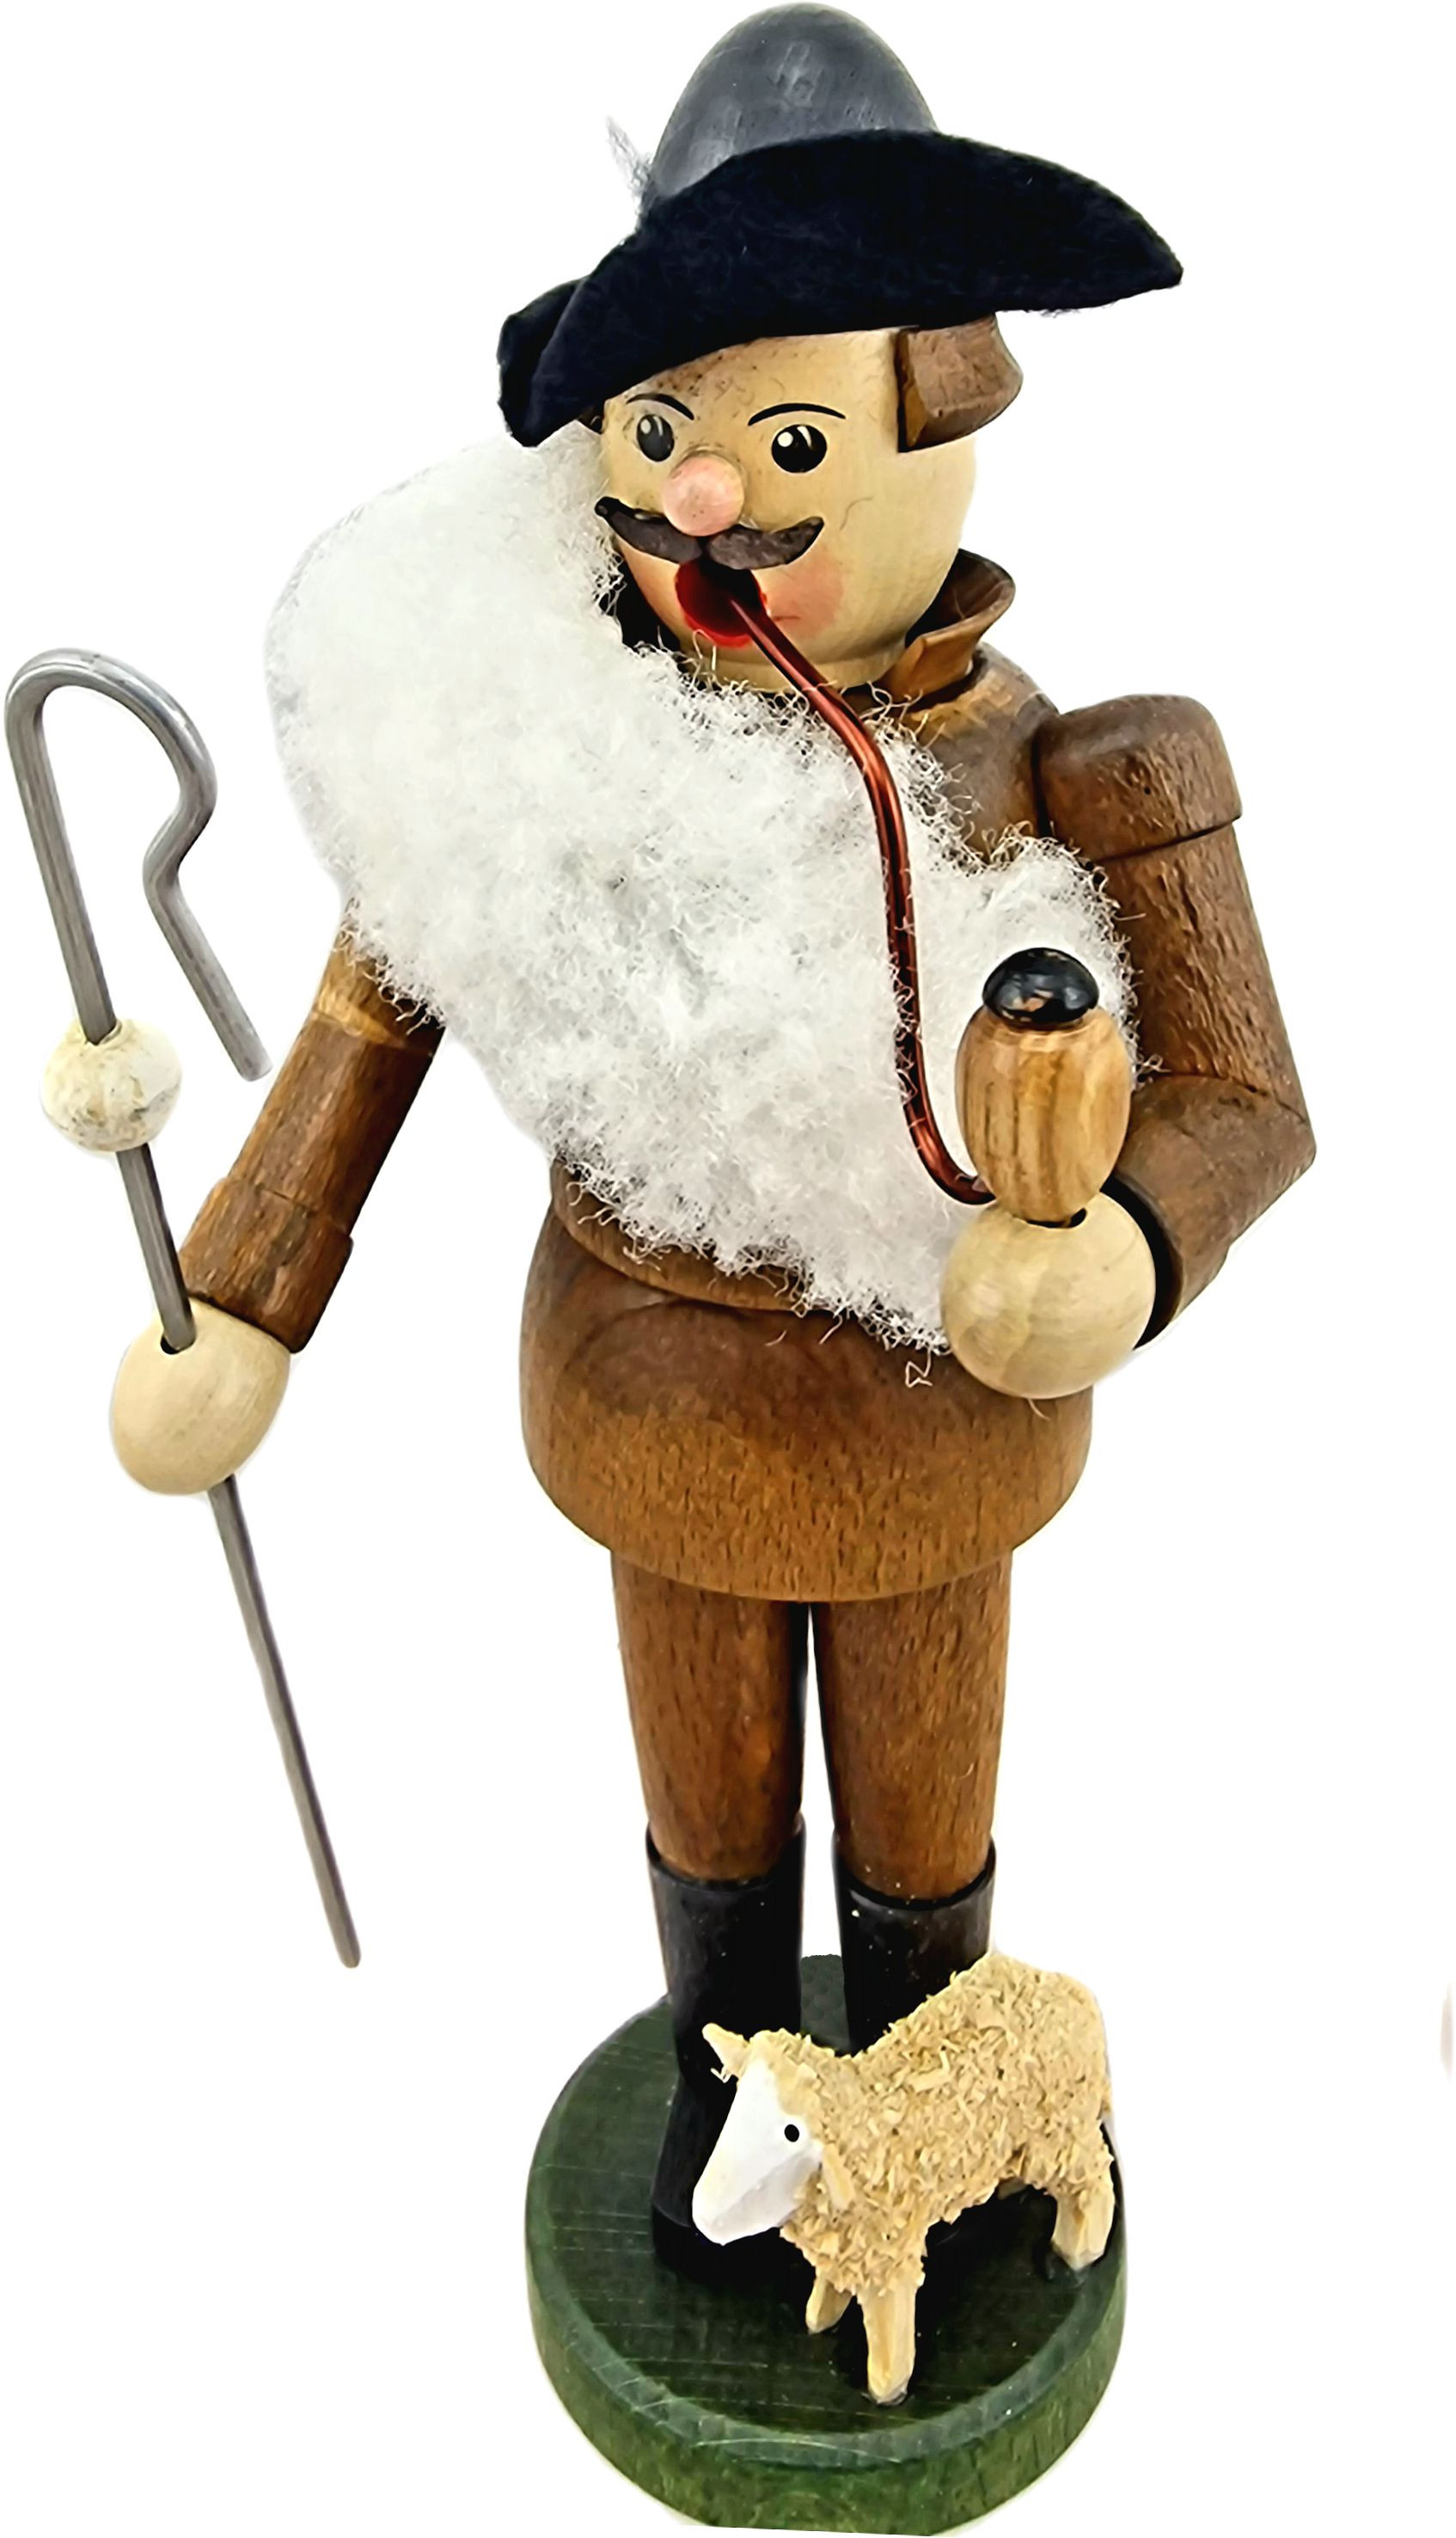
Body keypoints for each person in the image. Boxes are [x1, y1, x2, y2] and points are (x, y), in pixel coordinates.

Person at [109, 8, 1312, 2274]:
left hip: (939, 1411)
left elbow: (1246, 1093)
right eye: (658, 430)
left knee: (926, 1802)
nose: (701, 499)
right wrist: (240, 1305)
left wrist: (1126, 1253)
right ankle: (724, 2087)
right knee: (709, 1795)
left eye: (786, 436)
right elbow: (371, 1019)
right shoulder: (544, 765)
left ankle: (927, 2114)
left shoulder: (1092, 773)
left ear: (943, 408)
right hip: (649, 1390)